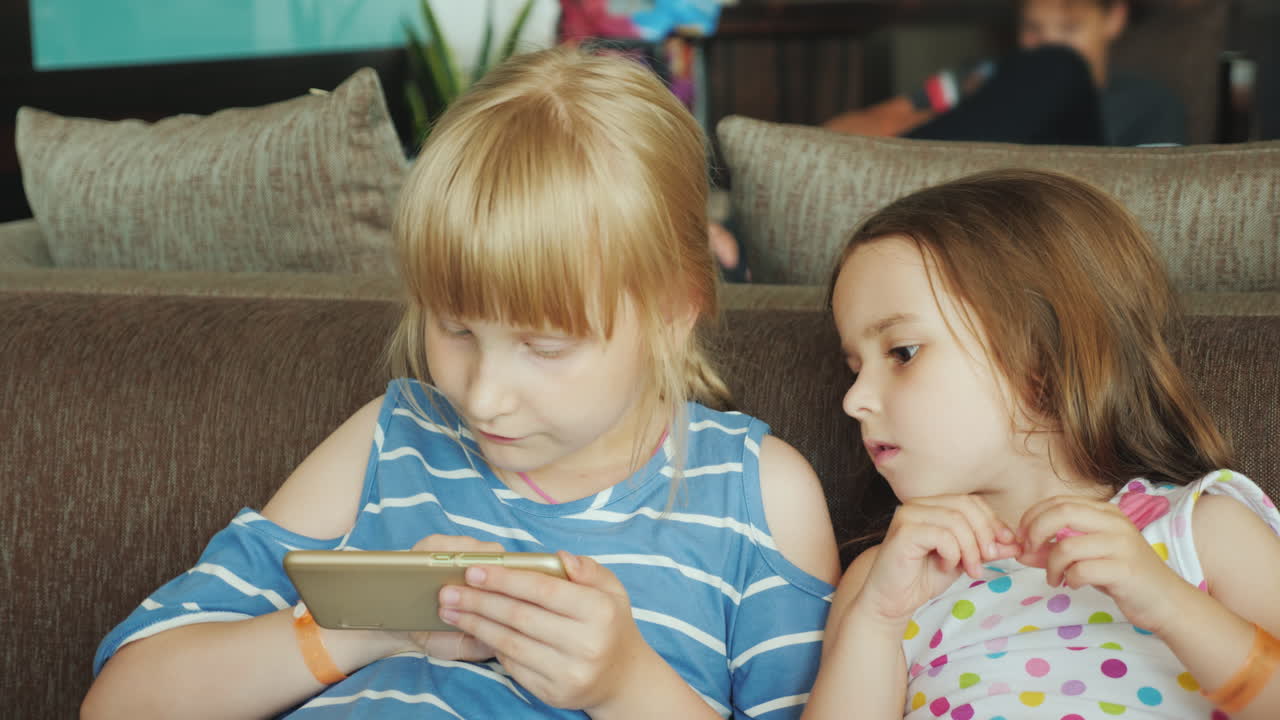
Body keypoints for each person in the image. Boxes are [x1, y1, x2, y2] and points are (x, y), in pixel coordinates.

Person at [81, 45, 840, 719]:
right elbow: (121, 701)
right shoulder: (391, 437)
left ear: (676, 312)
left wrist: (624, 686)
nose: (481, 397)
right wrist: (372, 625)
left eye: (543, 345)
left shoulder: (759, 500)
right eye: (455, 329)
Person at [804, 169, 1280, 719]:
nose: (855, 399)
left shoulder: (1201, 532)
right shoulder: (885, 578)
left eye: (903, 352)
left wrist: (1168, 603)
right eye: (854, 368)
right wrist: (877, 619)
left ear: (1041, 361)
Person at [825, 0, 1187, 147]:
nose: (1047, 42)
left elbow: (1151, 207)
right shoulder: (980, 76)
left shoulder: (1149, 103)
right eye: (1033, 29)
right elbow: (839, 134)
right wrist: (981, 104)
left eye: (1069, 28)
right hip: (951, 198)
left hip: (1046, 211)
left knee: (1059, 67)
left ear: (1114, 18)